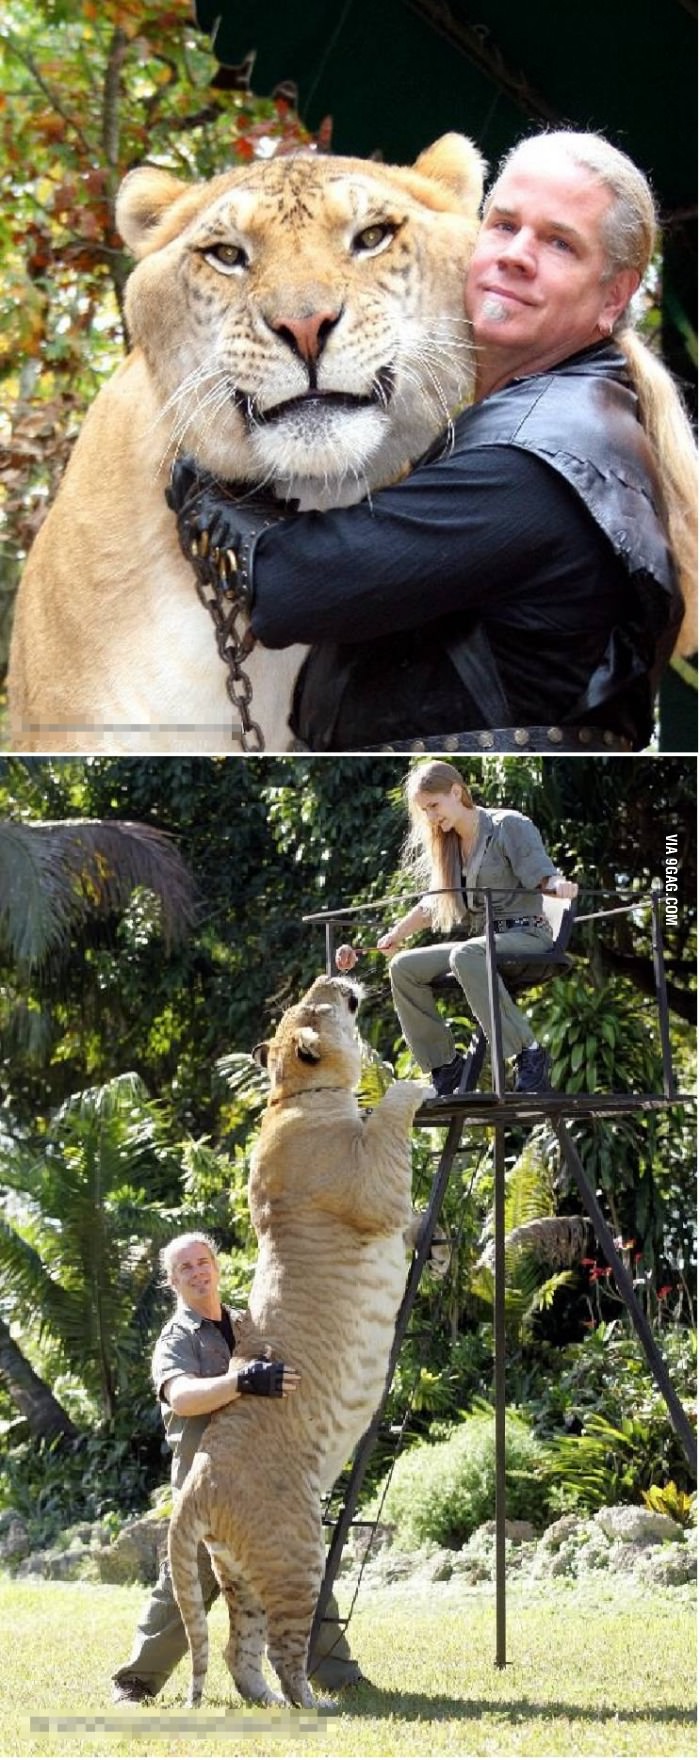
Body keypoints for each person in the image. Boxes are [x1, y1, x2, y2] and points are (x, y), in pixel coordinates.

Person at [168, 129, 697, 753]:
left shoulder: (536, 458)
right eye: (503, 226)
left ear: (614, 297)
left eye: (559, 243)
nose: (517, 255)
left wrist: (204, 497)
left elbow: (291, 591)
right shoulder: (569, 416)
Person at [112, 1232, 363, 1703]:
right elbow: (183, 1397)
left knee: (298, 1561)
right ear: (172, 1280)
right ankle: (135, 1682)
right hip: (207, 1481)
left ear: (217, 1266)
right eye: (185, 1267)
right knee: (187, 1581)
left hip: (267, 1474)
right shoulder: (176, 1338)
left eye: (203, 1261)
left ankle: (340, 1675)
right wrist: (242, 1380)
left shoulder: (249, 1323)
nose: (198, 1272)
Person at [375, 761, 578, 1095]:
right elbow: (432, 905)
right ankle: (446, 1068)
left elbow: (540, 871)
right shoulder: (450, 845)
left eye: (434, 805)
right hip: (484, 943)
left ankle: (529, 1054)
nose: (430, 816)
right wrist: (396, 934)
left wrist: (557, 884)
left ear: (457, 792)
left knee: (466, 953)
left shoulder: (507, 825)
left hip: (527, 935)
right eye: (424, 810)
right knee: (403, 967)